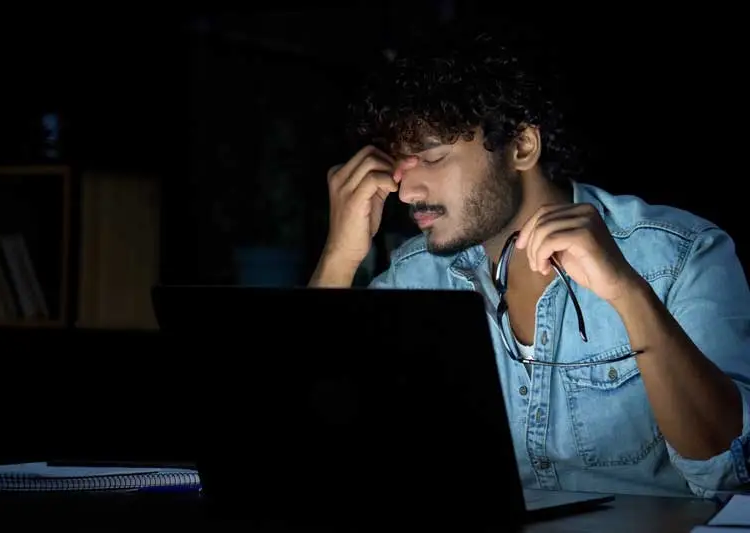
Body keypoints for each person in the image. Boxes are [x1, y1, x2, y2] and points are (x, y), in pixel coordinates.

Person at [308, 30, 750, 499]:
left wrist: (627, 293)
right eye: (399, 167)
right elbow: (309, 435)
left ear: (521, 147)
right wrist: (339, 258)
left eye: (433, 157)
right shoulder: (416, 275)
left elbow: (729, 472)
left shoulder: (681, 255)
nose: (408, 191)